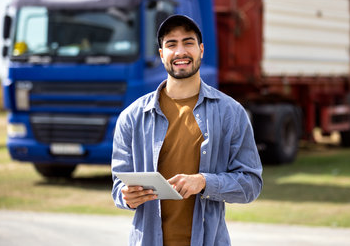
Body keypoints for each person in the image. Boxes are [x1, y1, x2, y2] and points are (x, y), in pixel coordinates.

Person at [111, 14, 263, 246]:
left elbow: (251, 184)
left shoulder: (231, 112)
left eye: (188, 42)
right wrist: (127, 196)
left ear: (201, 50)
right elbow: (118, 188)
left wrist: (205, 182)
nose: (180, 52)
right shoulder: (132, 117)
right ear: (162, 54)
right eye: (171, 44)